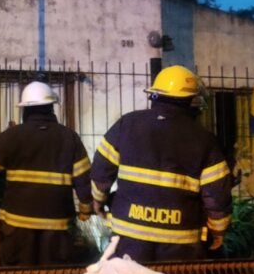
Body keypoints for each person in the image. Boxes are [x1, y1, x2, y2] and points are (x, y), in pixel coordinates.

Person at [90, 65, 232, 262]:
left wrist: (98, 202)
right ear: (192, 101)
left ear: (154, 95)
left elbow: (101, 171)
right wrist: (218, 229)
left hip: (128, 236)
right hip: (180, 241)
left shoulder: (127, 124)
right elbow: (217, 194)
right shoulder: (205, 140)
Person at [0, 81, 93, 266]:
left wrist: (2, 140)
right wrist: (85, 210)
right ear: (51, 107)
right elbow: (83, 179)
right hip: (57, 223)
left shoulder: (13, 135)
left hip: (17, 223)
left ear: (25, 110)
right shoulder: (70, 137)